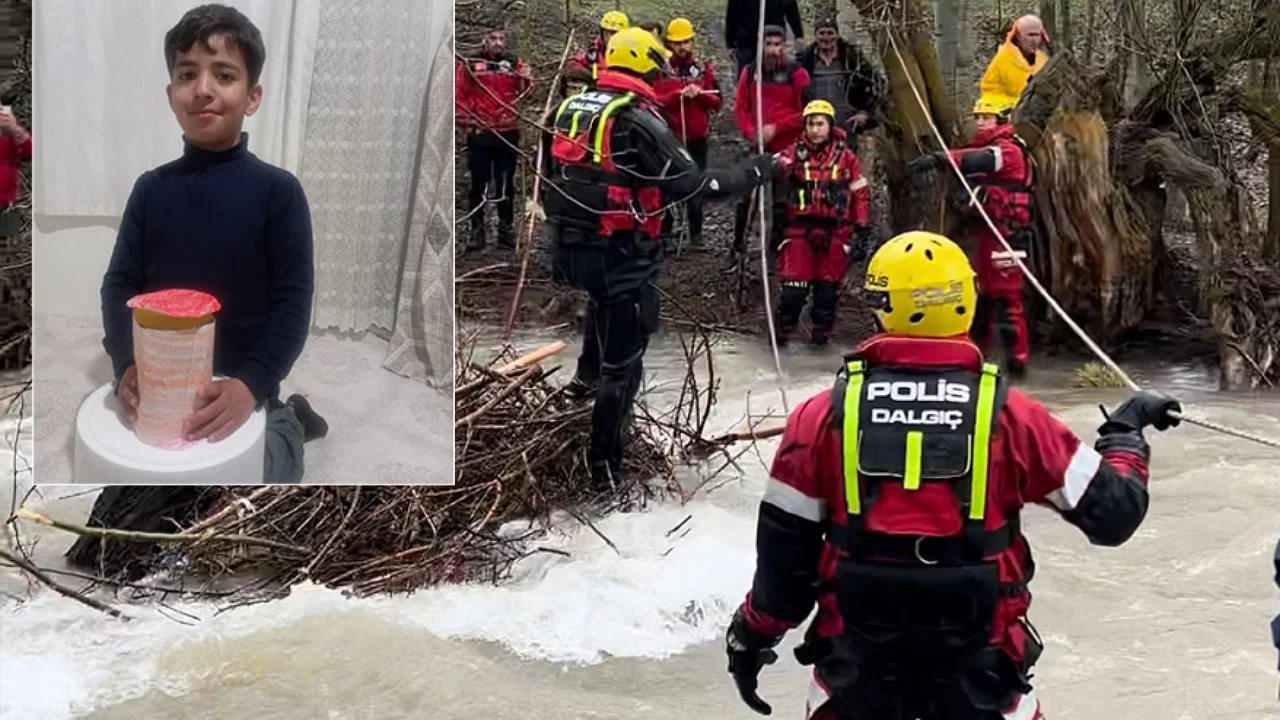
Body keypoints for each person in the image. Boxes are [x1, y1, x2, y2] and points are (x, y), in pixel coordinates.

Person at [724, 230, 1181, 720]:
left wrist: (749, 637)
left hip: (851, 686)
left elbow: (783, 570)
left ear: (882, 308)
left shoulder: (818, 418)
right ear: (966, 302)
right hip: (986, 687)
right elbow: (1115, 515)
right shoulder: (1016, 417)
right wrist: (1125, 434)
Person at [101, 4, 327, 485]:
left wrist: (251, 385)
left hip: (243, 384)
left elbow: (292, 302)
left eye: (224, 75)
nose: (202, 89)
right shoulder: (150, 189)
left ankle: (291, 415)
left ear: (252, 97)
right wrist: (125, 365)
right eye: (187, 74)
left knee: (257, 484)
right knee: (140, 491)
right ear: (171, 95)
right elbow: (119, 285)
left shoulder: (278, 191)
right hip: (162, 380)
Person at [543, 27, 774, 488]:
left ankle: (578, 396)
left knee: (600, 315)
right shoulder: (636, 120)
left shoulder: (571, 108)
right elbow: (694, 186)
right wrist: (752, 173)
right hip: (620, 255)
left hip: (570, 249)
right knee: (623, 365)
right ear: (646, 66)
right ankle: (605, 472)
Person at [909, 96, 1036, 374]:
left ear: (1001, 121)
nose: (980, 123)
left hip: (1007, 236)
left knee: (1007, 300)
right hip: (988, 234)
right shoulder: (989, 146)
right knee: (983, 296)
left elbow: (980, 160)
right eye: (977, 118)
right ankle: (977, 356)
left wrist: (942, 158)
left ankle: (1017, 363)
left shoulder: (1009, 150)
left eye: (986, 118)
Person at [773, 100, 872, 346]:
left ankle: (821, 337)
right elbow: (778, 166)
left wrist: (862, 227)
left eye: (820, 124)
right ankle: (782, 333)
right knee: (794, 289)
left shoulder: (847, 158)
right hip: (799, 230)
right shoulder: (793, 153)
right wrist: (771, 166)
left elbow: (859, 194)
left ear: (830, 126)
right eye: (810, 124)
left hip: (836, 231)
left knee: (827, 291)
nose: (815, 130)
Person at [732, 25, 811, 257]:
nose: (773, 50)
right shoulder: (750, 72)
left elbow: (806, 113)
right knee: (745, 198)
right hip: (755, 144)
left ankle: (777, 250)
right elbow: (741, 107)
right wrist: (751, 132)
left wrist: (776, 128)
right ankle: (738, 247)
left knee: (782, 202)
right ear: (761, 46)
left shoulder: (797, 74)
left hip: (786, 146)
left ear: (785, 46)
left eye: (778, 45)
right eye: (768, 45)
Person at [455, 27, 533, 252]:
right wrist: (468, 122)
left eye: (501, 38)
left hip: (507, 131)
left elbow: (527, 94)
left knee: (506, 183)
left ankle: (505, 229)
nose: (498, 42)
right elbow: (459, 95)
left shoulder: (514, 63)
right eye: (493, 38)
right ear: (484, 40)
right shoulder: (470, 64)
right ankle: (477, 231)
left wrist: (526, 78)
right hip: (480, 131)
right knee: (478, 183)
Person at [654, 17, 722, 250]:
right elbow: (655, 100)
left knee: (696, 184)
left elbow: (717, 102)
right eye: (677, 43)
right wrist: (677, 96)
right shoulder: (661, 70)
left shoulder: (703, 69)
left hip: (696, 138)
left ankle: (696, 234)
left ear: (692, 42)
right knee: (666, 185)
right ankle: (664, 234)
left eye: (686, 42)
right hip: (670, 137)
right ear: (669, 44)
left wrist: (699, 94)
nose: (682, 47)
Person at [797, 19, 882, 135]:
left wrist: (865, 112)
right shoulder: (805, 60)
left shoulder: (851, 59)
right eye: (822, 33)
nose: (826, 38)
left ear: (837, 35)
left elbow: (874, 84)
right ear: (815, 36)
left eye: (830, 33)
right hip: (815, 126)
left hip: (847, 124)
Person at [979, 14, 1048, 108]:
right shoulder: (1003, 59)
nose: (1034, 40)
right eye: (1030, 35)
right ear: (1018, 36)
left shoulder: (1043, 60)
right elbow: (989, 94)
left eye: (1038, 35)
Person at [724, 0, 804, 74]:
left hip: (774, 36)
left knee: (777, 73)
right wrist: (730, 42)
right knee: (747, 75)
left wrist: (798, 34)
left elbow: (791, 7)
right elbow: (732, 11)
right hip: (746, 39)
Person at [565, 10, 629, 91]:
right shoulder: (595, 50)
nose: (610, 38)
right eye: (607, 33)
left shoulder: (632, 53)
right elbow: (572, 65)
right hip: (598, 92)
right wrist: (590, 76)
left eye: (614, 33)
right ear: (602, 33)